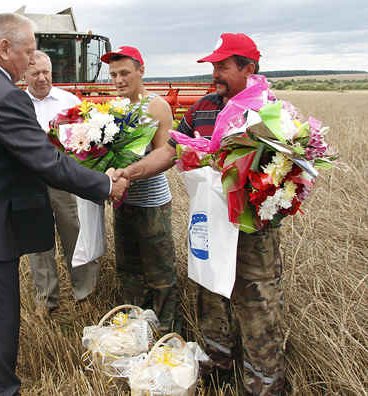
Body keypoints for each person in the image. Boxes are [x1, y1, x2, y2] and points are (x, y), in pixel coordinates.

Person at [0, 13, 128, 396]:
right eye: (27, 53)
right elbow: (47, 162)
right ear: (4, 48)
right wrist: (104, 184)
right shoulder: (6, 96)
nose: (30, 62)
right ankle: (0, 387)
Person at [112, 34, 285, 396]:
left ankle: (263, 386)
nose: (215, 74)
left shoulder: (270, 112)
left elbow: (284, 176)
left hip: (252, 236)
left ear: (248, 69)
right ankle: (215, 371)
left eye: (223, 67)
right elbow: (170, 151)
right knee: (209, 299)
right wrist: (130, 172)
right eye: (213, 67)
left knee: (257, 311)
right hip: (208, 226)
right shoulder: (203, 107)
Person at [101, 46, 182, 335]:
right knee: (128, 269)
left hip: (152, 205)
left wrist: (127, 175)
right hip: (123, 202)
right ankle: (136, 330)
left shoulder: (156, 106)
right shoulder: (112, 108)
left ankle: (167, 333)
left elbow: (165, 157)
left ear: (141, 72)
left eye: (124, 73)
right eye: (113, 75)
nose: (118, 80)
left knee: (160, 272)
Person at [24, 50, 99, 317]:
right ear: (24, 74)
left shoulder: (70, 102)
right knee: (38, 242)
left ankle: (85, 293)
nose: (42, 78)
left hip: (65, 181)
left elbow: (89, 140)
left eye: (46, 72)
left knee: (75, 235)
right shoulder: (16, 103)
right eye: (35, 73)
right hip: (30, 182)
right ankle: (46, 300)